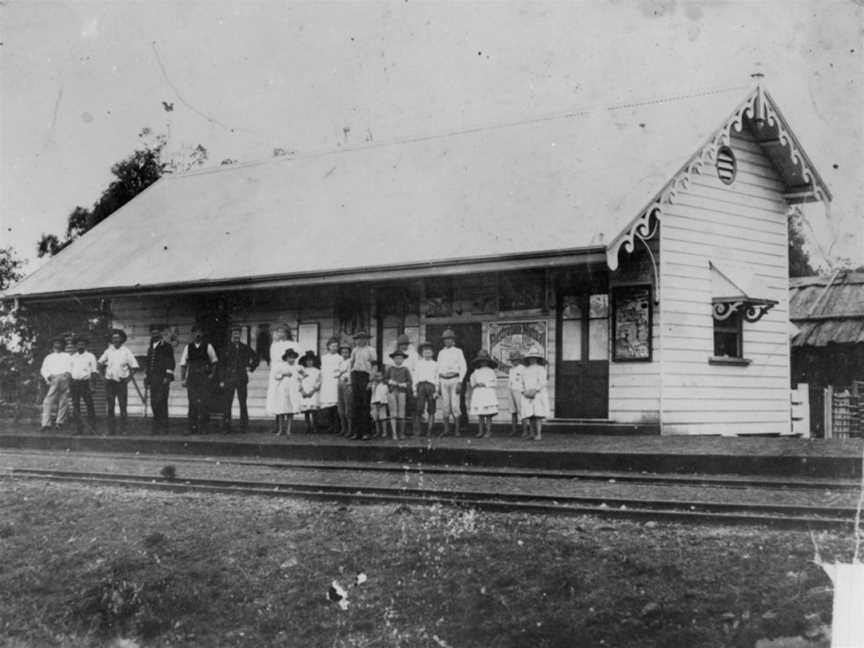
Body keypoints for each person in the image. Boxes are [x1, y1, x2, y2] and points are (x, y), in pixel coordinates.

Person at [98, 329, 139, 435]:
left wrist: (128, 379)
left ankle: (123, 429)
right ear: (111, 339)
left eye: (118, 338)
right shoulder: (108, 351)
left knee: (123, 406)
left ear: (122, 339)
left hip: (121, 383)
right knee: (110, 407)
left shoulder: (126, 351)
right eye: (114, 338)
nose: (116, 340)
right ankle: (111, 430)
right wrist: (102, 377)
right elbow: (99, 364)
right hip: (110, 383)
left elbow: (134, 367)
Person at [179, 325, 218, 435]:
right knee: (192, 402)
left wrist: (211, 375)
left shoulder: (208, 346)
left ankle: (204, 427)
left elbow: (214, 362)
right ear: (192, 334)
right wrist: (183, 379)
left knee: (204, 402)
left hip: (204, 377)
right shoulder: (188, 347)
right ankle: (192, 426)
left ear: (202, 334)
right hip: (192, 378)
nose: (197, 334)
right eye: (195, 332)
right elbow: (183, 364)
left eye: (199, 332)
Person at [218, 327, 257, 433]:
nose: (236, 336)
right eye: (234, 334)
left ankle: (244, 427)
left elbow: (256, 358)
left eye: (238, 334)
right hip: (229, 378)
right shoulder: (225, 348)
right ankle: (226, 427)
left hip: (241, 378)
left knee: (243, 402)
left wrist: (250, 366)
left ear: (240, 335)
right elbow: (221, 365)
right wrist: (221, 380)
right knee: (227, 403)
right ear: (231, 335)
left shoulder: (245, 348)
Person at [266, 326, 300, 433]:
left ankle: (288, 428)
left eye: (283, 331)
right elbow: (272, 359)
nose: (281, 334)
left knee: (288, 399)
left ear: (287, 332)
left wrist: (291, 370)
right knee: (276, 398)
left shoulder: (293, 344)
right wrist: (276, 372)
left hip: (289, 372)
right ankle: (278, 426)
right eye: (278, 331)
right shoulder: (274, 345)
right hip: (277, 372)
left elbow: (296, 359)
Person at [385, 333, 419, 435]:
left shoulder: (413, 354)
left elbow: (416, 371)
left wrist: (411, 385)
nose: (404, 346)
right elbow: (386, 376)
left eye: (406, 344)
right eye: (402, 344)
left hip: (408, 385)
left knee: (411, 407)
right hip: (394, 389)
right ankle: (395, 432)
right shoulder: (392, 361)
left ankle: (412, 430)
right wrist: (390, 382)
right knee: (395, 409)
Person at [145, 324, 175, 435]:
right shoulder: (150, 348)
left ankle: (165, 427)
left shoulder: (166, 346)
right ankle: (156, 426)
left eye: (157, 333)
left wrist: (167, 377)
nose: (155, 335)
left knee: (162, 402)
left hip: (162, 378)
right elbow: (149, 364)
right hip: (153, 379)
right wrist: (147, 379)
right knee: (154, 403)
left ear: (160, 334)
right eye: (153, 333)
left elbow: (171, 362)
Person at [436, 329, 466, 437]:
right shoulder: (441, 353)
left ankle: (457, 430)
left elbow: (463, 367)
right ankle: (446, 430)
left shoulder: (458, 351)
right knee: (445, 406)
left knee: (455, 405)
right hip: (443, 380)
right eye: (445, 339)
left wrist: (460, 382)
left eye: (449, 339)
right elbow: (438, 369)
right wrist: (438, 384)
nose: (447, 341)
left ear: (453, 340)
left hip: (454, 379)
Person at [40, 337, 72, 432]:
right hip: (53, 379)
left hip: (64, 378)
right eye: (56, 343)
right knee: (47, 401)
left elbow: (71, 366)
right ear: (53, 345)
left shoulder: (67, 356)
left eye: (59, 343)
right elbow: (44, 369)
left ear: (63, 345)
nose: (57, 345)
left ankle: (60, 422)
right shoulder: (49, 357)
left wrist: (68, 374)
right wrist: (48, 376)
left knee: (63, 400)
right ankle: (46, 423)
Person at [349, 330, 377, 440]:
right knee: (356, 404)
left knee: (365, 405)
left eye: (363, 338)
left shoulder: (371, 350)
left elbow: (374, 366)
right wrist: (351, 381)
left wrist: (371, 381)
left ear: (367, 339)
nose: (361, 340)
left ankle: (366, 432)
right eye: (358, 339)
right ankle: (357, 432)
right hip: (355, 376)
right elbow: (351, 365)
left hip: (366, 377)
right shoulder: (354, 350)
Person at [69, 336, 98, 434]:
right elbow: (70, 372)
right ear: (76, 345)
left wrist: (93, 385)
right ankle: (79, 429)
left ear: (85, 345)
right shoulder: (72, 357)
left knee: (90, 405)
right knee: (76, 407)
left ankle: (92, 428)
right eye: (78, 344)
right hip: (74, 383)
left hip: (85, 383)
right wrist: (69, 386)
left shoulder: (90, 356)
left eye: (82, 344)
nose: (80, 346)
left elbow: (94, 372)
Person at [520, 347, 550, 441]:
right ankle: (532, 433)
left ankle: (539, 434)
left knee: (538, 415)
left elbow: (543, 382)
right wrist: (524, 391)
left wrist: (535, 390)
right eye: (530, 358)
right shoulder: (525, 370)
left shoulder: (541, 369)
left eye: (534, 358)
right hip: (527, 394)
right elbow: (521, 382)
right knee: (530, 415)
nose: (532, 359)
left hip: (537, 394)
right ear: (528, 359)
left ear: (537, 359)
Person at [469, 350, 499, 438]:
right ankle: (480, 431)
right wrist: (476, 384)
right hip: (479, 393)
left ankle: (488, 431)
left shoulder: (491, 371)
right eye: (481, 361)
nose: (483, 363)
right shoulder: (476, 371)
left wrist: (486, 384)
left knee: (488, 414)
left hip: (488, 393)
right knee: (481, 414)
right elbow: (472, 381)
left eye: (485, 361)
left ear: (488, 362)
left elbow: (494, 383)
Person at [272, 347, 300, 436]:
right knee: (281, 410)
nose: (291, 359)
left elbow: (301, 377)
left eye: (293, 357)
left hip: (292, 389)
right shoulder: (281, 366)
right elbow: (276, 376)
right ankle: (280, 429)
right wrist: (283, 374)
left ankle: (288, 430)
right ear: (286, 358)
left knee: (290, 411)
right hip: (282, 389)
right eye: (289, 357)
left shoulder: (297, 367)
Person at [385, 349, 413, 440]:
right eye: (396, 358)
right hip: (392, 392)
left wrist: (403, 384)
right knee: (393, 413)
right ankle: (394, 433)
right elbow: (385, 379)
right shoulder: (390, 369)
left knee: (401, 413)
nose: (398, 360)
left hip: (402, 392)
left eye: (400, 358)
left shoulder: (405, 369)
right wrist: (390, 381)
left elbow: (410, 382)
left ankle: (401, 433)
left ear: (403, 359)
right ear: (393, 359)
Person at [413, 342, 438, 436]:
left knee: (431, 409)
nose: (427, 353)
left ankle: (429, 430)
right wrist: (415, 390)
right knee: (419, 409)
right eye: (425, 351)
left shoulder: (435, 364)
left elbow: (437, 378)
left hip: (431, 387)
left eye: (429, 351)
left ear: (432, 353)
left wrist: (436, 390)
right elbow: (415, 376)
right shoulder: (419, 364)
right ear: (422, 353)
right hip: (421, 386)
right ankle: (418, 430)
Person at [319, 337, 342, 433]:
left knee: (336, 404)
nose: (335, 348)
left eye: (336, 346)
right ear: (328, 346)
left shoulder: (340, 358)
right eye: (333, 346)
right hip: (327, 382)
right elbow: (322, 370)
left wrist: (337, 374)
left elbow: (340, 370)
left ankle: (338, 426)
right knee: (328, 405)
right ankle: (331, 425)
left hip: (335, 381)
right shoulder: (324, 358)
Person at [298, 351, 321, 434]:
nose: (309, 362)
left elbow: (318, 382)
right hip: (305, 392)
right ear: (305, 361)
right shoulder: (302, 371)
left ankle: (315, 426)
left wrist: (313, 391)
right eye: (307, 360)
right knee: (306, 411)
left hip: (313, 392)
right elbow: (298, 381)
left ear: (314, 361)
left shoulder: (317, 371)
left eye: (311, 360)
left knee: (313, 411)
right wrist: (302, 391)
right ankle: (307, 426)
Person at [507, 350, 527, 437]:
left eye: (515, 360)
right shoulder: (511, 369)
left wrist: (524, 390)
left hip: (519, 391)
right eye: (512, 360)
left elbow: (525, 381)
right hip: (511, 390)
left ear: (519, 360)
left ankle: (525, 431)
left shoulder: (522, 368)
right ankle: (514, 430)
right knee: (513, 411)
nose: (513, 362)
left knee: (522, 411)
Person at [336, 339, 353, 437]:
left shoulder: (351, 362)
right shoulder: (340, 362)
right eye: (343, 352)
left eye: (346, 352)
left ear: (350, 353)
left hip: (347, 384)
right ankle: (343, 428)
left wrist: (349, 382)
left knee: (348, 408)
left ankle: (350, 429)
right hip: (340, 384)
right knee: (341, 408)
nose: (344, 354)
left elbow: (350, 374)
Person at [368, 367, 390, 439]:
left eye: (379, 376)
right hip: (374, 402)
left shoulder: (384, 385)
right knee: (376, 418)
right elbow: (371, 392)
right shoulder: (373, 385)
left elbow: (385, 394)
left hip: (381, 403)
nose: (378, 378)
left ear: (382, 377)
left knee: (383, 418)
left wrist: (383, 402)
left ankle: (384, 432)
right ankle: (378, 432)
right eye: (376, 376)